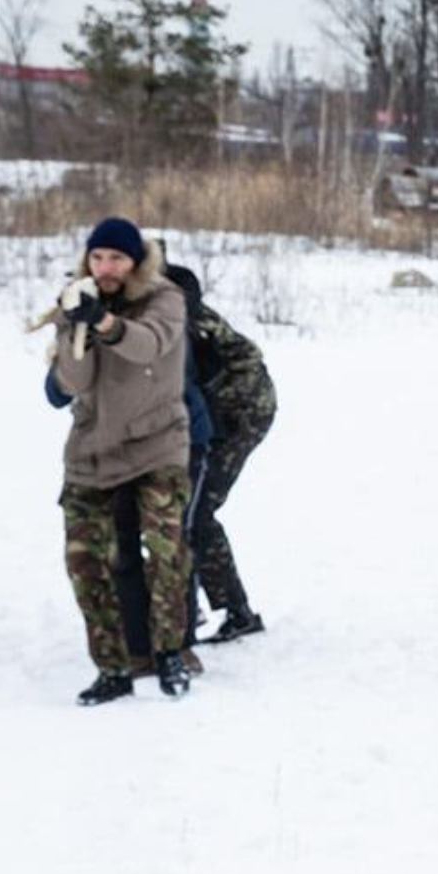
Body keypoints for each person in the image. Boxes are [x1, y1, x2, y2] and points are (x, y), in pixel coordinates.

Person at [50, 216, 194, 705]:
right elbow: (72, 381)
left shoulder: (166, 298)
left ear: (135, 262)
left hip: (158, 445)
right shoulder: (79, 301)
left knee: (166, 549)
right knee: (84, 561)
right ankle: (112, 668)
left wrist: (106, 323)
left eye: (116, 258)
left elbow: (148, 344)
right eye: (97, 257)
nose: (105, 267)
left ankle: (170, 651)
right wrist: (76, 328)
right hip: (92, 450)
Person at [164, 262, 278, 643]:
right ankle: (196, 605)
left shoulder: (188, 324)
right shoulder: (175, 314)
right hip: (217, 414)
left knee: (196, 512)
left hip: (239, 416)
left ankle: (229, 610)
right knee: (186, 511)